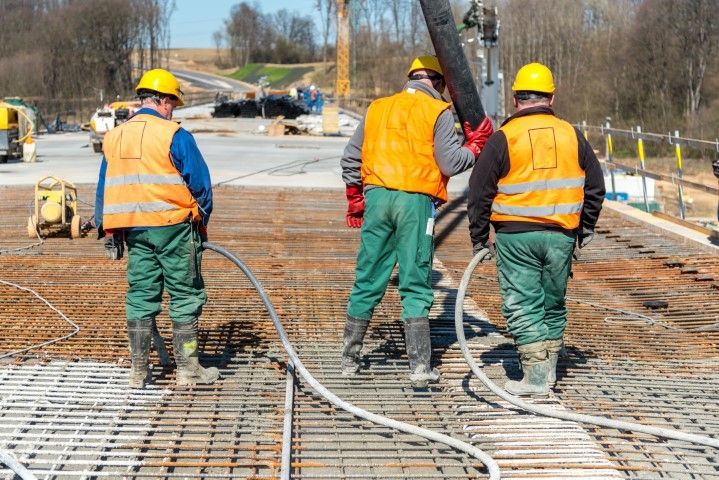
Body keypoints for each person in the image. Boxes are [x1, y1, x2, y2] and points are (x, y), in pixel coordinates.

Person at [340, 55, 494, 388]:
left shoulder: (378, 108)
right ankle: (420, 367)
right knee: (415, 279)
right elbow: (451, 163)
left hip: (377, 199)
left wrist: (355, 198)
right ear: (439, 84)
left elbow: (351, 157)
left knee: (368, 275)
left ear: (411, 77)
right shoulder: (437, 111)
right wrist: (476, 146)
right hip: (415, 203)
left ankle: (349, 360)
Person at [467, 62, 605, 396]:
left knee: (523, 304)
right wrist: (584, 227)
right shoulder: (572, 135)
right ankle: (550, 367)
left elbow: (479, 189)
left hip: (516, 237)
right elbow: (596, 186)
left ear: (515, 99)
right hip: (560, 236)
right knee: (553, 303)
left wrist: (479, 236)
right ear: (551, 97)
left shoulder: (504, 137)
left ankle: (537, 376)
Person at [95, 68, 219, 389]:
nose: (173, 110)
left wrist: (110, 232)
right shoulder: (174, 134)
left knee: (140, 296)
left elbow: (104, 188)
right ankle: (189, 370)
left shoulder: (115, 136)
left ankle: (139, 372)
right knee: (185, 295)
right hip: (175, 229)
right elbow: (201, 186)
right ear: (162, 100)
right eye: (173, 104)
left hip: (135, 231)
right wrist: (201, 223)